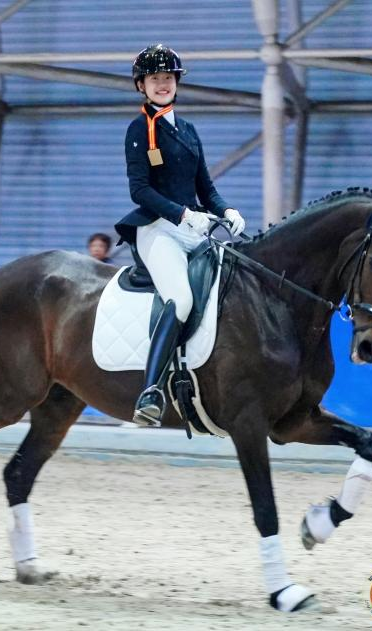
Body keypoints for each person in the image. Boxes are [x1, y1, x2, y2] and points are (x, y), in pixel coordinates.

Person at [115, 43, 246, 427]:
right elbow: (140, 190)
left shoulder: (187, 130)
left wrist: (226, 210)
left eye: (168, 78)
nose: (163, 84)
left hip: (193, 228)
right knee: (181, 298)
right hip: (158, 229)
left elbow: (206, 186)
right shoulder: (139, 130)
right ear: (141, 85)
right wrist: (183, 214)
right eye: (155, 78)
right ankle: (150, 391)